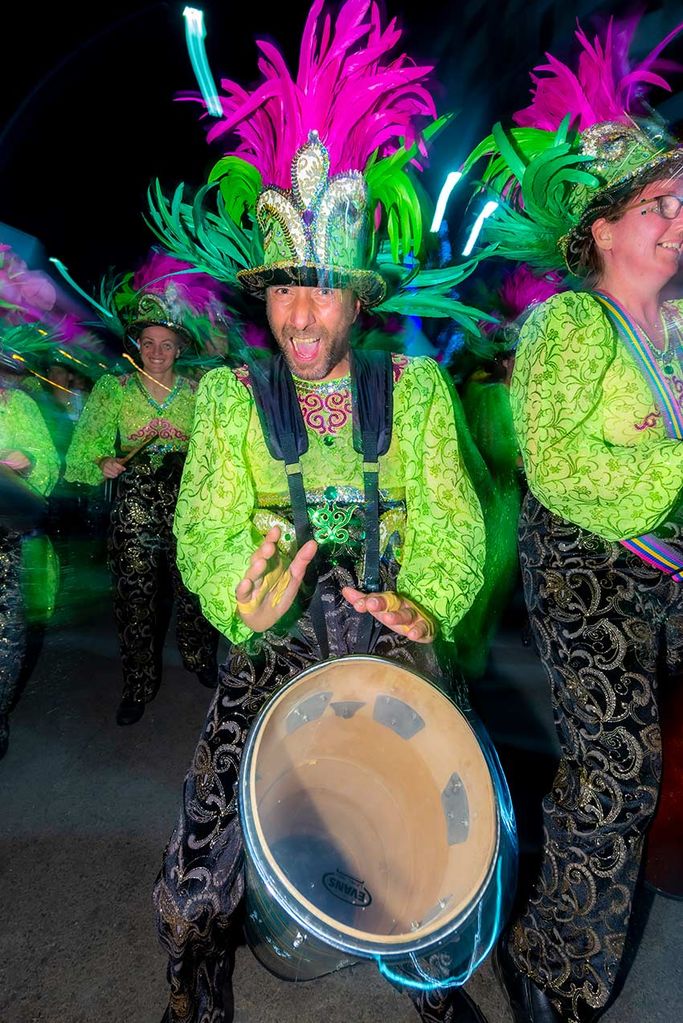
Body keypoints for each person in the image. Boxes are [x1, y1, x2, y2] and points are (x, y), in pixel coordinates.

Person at [150, 3, 502, 1021]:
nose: (298, 319)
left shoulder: (420, 394)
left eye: (321, 294)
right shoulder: (227, 399)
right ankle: (194, 993)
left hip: (388, 647)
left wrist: (425, 605)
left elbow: (448, 517)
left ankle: (433, 992)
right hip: (271, 653)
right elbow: (204, 528)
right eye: (282, 293)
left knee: (426, 848)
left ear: (358, 297)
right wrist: (238, 597)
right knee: (201, 865)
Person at [463, 16, 683, 1023]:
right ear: (597, 228)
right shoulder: (563, 325)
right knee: (613, 765)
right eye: (653, 206)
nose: (674, 221)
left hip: (668, 560)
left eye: (680, 202)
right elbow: (561, 470)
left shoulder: (679, 327)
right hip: (584, 562)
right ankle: (552, 963)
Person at [65, 253, 224, 725]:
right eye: (149, 343)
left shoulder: (198, 391)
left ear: (179, 348)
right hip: (135, 511)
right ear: (137, 345)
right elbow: (86, 447)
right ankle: (137, 685)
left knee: (194, 591)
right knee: (135, 598)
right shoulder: (113, 390)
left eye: (167, 344)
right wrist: (104, 461)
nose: (157, 351)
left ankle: (199, 660)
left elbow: (218, 445)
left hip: (189, 506)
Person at [0, 332, 59, 759]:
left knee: (8, 633)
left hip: (7, 532)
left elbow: (47, 459)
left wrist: (30, 460)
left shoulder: (21, 405)